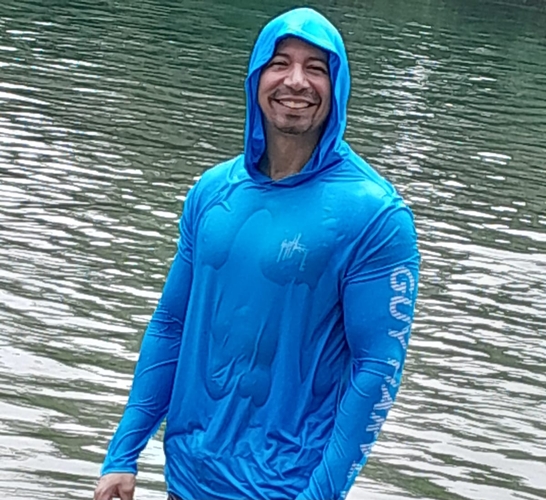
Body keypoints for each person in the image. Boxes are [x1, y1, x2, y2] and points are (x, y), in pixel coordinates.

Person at [94, 7, 420, 500]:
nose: (296, 81)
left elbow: (376, 368)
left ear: (338, 85)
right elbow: (171, 325)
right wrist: (123, 452)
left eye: (316, 68)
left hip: (286, 485)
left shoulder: (375, 214)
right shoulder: (212, 192)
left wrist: (321, 494)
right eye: (280, 63)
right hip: (187, 475)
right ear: (255, 78)